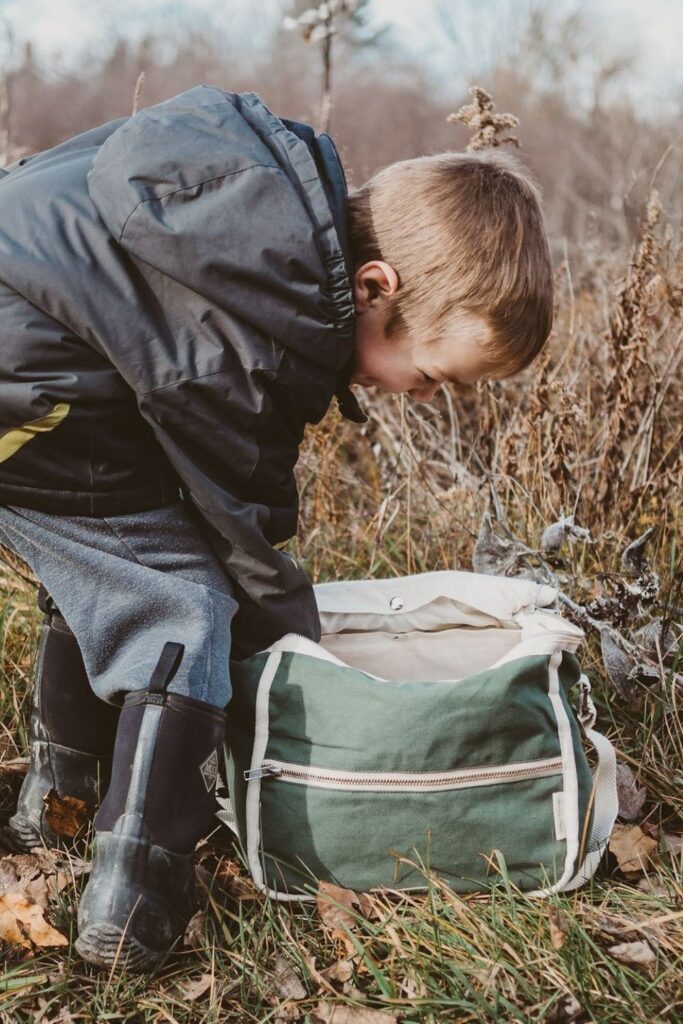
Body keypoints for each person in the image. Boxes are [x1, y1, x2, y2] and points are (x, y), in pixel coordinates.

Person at [0, 85, 553, 971]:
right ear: (376, 288)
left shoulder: (249, 197)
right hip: (30, 384)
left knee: (109, 563)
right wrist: (299, 653)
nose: (423, 397)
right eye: (432, 375)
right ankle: (134, 893)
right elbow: (240, 518)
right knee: (181, 609)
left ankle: (61, 799)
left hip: (32, 352)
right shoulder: (273, 318)